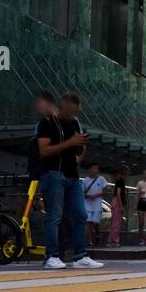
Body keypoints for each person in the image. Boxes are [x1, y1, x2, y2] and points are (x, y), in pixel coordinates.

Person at [35, 92, 102, 269]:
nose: (73, 115)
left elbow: (78, 149)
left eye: (76, 112)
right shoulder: (47, 123)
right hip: (53, 173)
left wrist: (80, 148)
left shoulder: (73, 123)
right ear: (62, 106)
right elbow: (44, 151)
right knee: (54, 216)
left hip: (72, 175)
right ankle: (52, 256)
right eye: (71, 111)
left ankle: (80, 256)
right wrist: (70, 143)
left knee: (81, 215)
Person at [81, 161, 107, 249]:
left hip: (97, 204)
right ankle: (90, 241)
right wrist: (88, 195)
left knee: (95, 222)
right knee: (88, 222)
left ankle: (98, 233)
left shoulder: (101, 179)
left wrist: (95, 195)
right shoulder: (85, 181)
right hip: (88, 203)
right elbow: (82, 192)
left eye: (97, 168)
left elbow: (104, 190)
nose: (95, 170)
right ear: (89, 169)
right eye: (94, 168)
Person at [107, 167, 128, 247]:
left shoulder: (118, 181)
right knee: (116, 223)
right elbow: (118, 194)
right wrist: (121, 206)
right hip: (117, 203)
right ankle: (114, 241)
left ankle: (111, 240)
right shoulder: (121, 181)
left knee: (114, 222)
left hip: (115, 201)